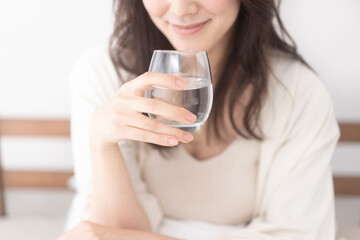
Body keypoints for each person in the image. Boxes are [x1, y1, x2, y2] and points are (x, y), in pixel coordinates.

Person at [59, 0, 340, 239]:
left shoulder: (297, 93)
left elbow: (301, 233)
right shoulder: (102, 75)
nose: (181, 9)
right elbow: (113, 232)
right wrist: (101, 143)